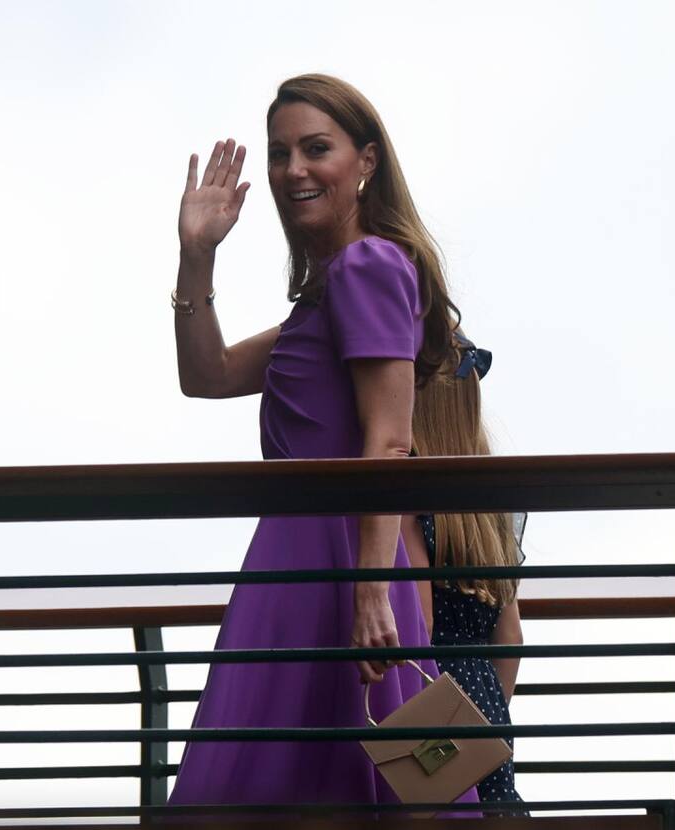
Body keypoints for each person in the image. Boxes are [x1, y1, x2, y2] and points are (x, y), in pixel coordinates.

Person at [168, 73, 479, 811]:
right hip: (305, 554)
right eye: (280, 154)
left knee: (309, 783)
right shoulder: (329, 288)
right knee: (325, 782)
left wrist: (371, 588)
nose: (293, 170)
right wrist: (196, 253)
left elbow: (389, 439)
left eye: (316, 149)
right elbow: (205, 375)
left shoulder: (368, 266)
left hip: (336, 557)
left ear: (366, 161)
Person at [406, 333, 526, 808]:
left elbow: (420, 625)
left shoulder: (409, 499)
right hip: (484, 697)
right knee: (491, 805)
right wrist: (486, 711)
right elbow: (510, 639)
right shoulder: (492, 506)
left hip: (430, 695)